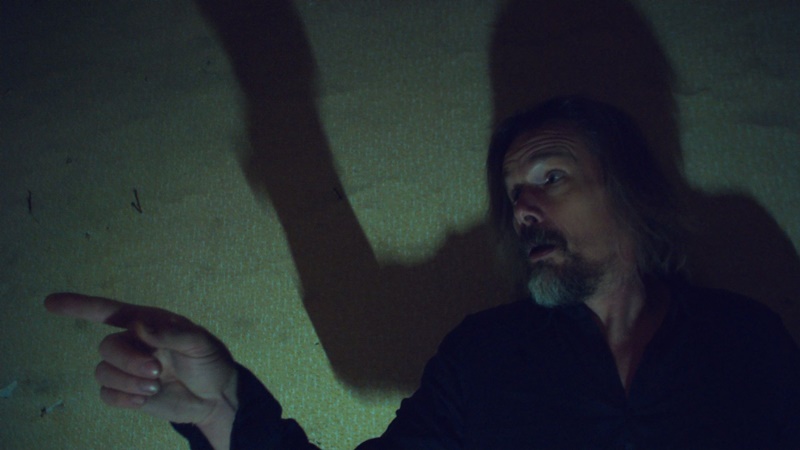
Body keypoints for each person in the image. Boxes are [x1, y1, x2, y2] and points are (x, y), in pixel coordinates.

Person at [45, 97, 800, 449]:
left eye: (551, 176)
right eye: (513, 193)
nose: (523, 208)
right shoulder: (484, 358)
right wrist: (222, 411)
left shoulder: (749, 342)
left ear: (629, 191)